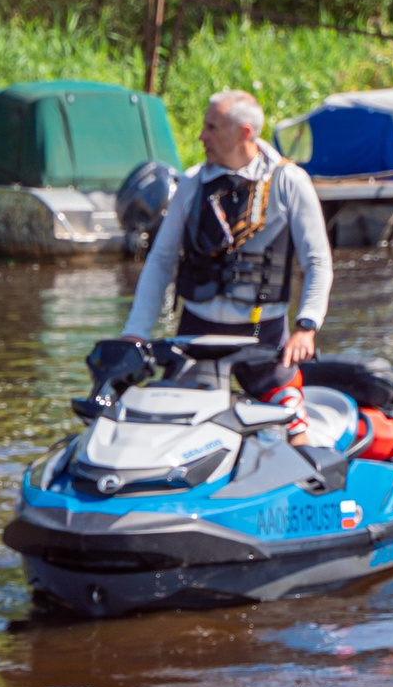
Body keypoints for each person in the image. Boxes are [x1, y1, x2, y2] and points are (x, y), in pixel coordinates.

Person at [122, 89, 333, 444]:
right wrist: (135, 333)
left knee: (295, 430)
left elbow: (318, 261)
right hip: (197, 332)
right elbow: (160, 261)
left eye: (211, 127)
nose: (201, 136)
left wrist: (306, 326)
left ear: (244, 133)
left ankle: (309, 471)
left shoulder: (289, 182)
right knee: (170, 429)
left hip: (262, 337)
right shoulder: (191, 183)